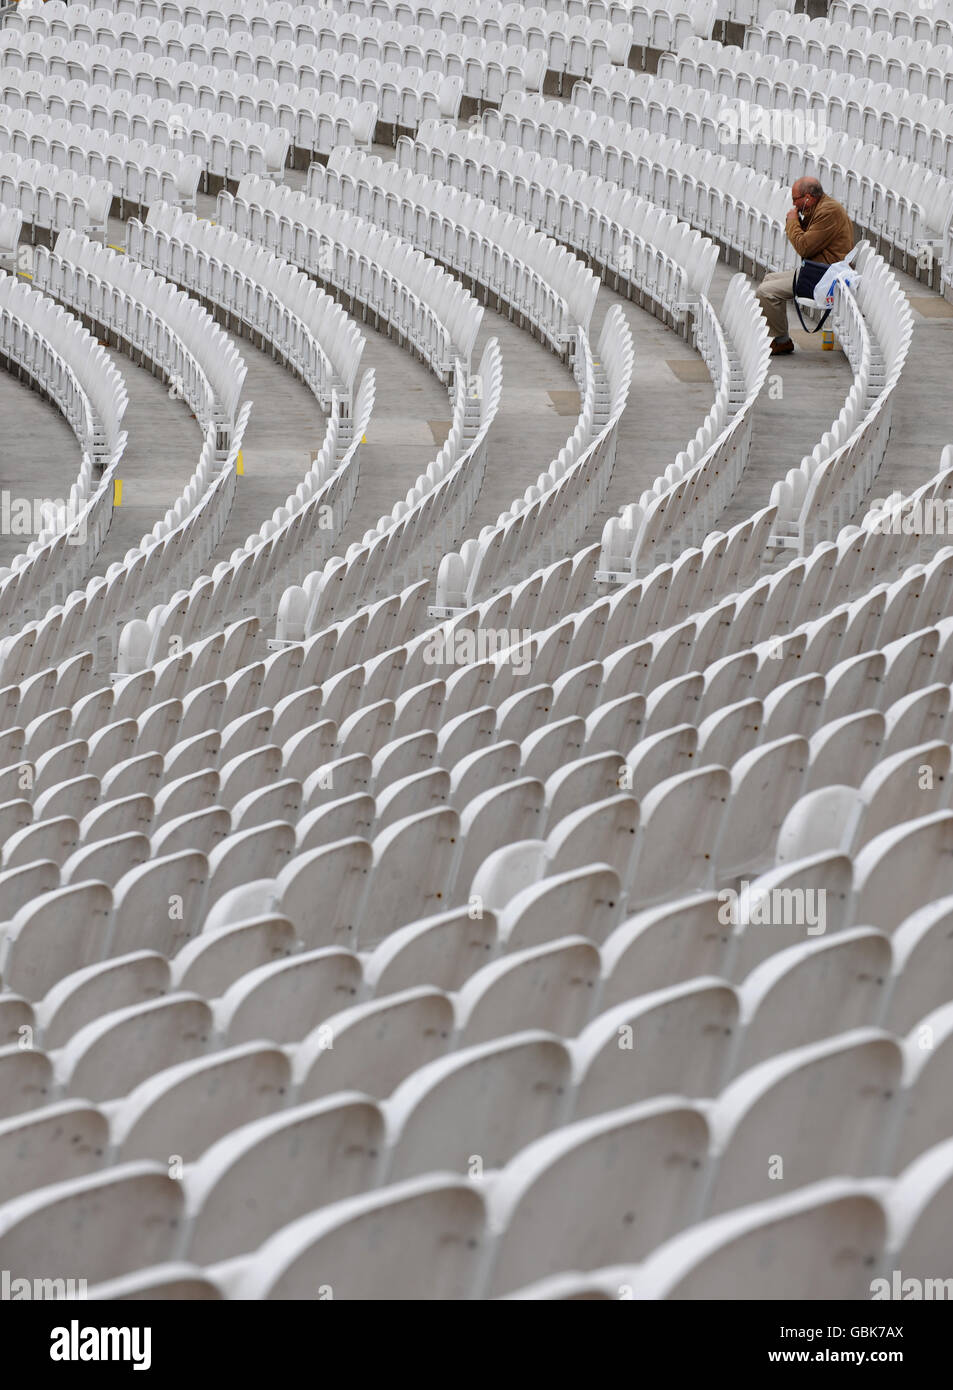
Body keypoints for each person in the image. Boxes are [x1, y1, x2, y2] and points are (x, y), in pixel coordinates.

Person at [755, 177, 854, 355]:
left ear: (808, 197)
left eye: (796, 199)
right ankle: (774, 335)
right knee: (769, 279)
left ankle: (782, 341)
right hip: (820, 269)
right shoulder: (821, 207)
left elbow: (804, 247)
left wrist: (793, 221)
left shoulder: (828, 211)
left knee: (766, 292)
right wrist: (800, 218)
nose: (793, 204)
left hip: (825, 277)